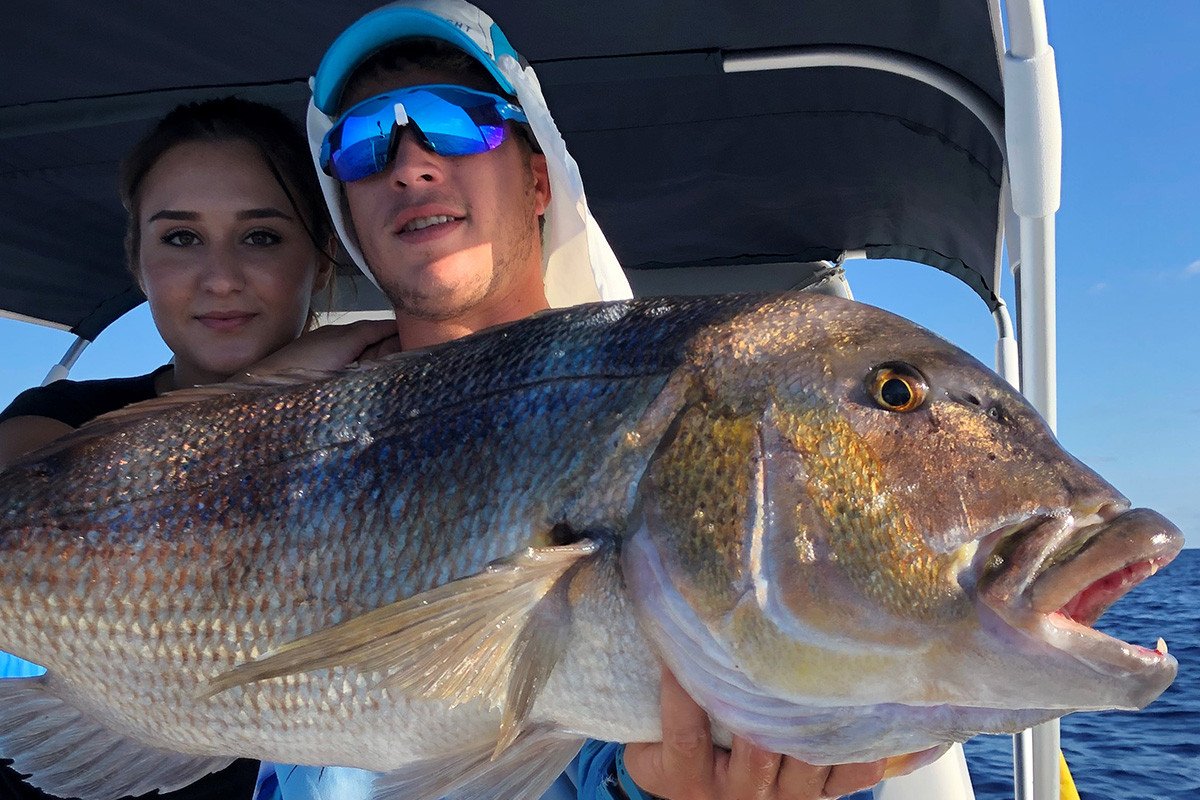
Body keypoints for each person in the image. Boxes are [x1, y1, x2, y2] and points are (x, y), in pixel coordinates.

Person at [256, 2, 890, 799]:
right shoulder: (283, 433)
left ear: (538, 174)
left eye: (461, 123)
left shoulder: (675, 407)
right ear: (345, 208)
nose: (411, 165)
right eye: (362, 141)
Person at [0, 96, 392, 800]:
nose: (220, 278)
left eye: (261, 237)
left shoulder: (386, 423)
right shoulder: (64, 418)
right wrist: (264, 391)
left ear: (323, 254)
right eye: (181, 238)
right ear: (138, 260)